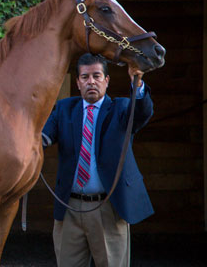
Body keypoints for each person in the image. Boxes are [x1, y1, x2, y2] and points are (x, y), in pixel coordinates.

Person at [42, 53, 154, 267]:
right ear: (77, 82)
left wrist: (136, 83)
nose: (91, 81)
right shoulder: (65, 109)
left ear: (107, 80)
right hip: (70, 207)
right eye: (85, 77)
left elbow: (142, 112)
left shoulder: (121, 108)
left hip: (108, 207)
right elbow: (42, 138)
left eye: (96, 76)